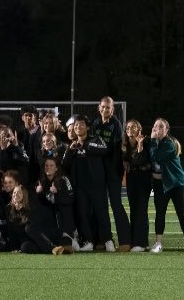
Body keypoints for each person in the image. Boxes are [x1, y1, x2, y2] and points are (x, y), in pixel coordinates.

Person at [61, 115, 111, 252]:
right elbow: (64, 164)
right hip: (80, 187)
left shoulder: (95, 139)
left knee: (101, 213)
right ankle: (88, 241)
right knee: (83, 214)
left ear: (87, 127)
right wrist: (71, 150)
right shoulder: (72, 144)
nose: (78, 127)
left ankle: (108, 240)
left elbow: (104, 149)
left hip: (97, 185)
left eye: (81, 124)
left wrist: (85, 145)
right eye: (76, 125)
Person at [147, 118, 184, 253]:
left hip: (176, 183)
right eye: (155, 126)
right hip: (160, 184)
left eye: (161, 126)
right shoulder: (155, 142)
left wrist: (151, 141)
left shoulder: (169, 143)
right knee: (160, 213)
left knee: (182, 214)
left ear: (166, 130)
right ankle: (158, 243)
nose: (157, 128)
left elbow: (155, 157)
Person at [91, 97, 131, 252]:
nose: (105, 109)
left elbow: (115, 147)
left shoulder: (116, 124)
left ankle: (125, 241)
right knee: (100, 206)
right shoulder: (95, 124)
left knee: (116, 204)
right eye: (103, 107)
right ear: (99, 108)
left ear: (112, 109)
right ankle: (104, 240)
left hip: (113, 169)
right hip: (99, 170)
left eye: (108, 107)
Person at [5, 186, 66, 255]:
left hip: (44, 237)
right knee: (24, 247)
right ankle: (57, 249)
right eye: (14, 192)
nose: (15, 195)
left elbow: (35, 225)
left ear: (24, 195)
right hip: (33, 241)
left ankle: (53, 248)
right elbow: (11, 231)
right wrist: (14, 248)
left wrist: (22, 209)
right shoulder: (9, 209)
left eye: (19, 193)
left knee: (29, 228)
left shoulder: (31, 205)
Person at [123, 120, 153, 252]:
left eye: (133, 127)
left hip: (143, 179)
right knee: (134, 209)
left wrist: (140, 145)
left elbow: (141, 160)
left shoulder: (146, 142)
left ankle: (141, 243)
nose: (130, 129)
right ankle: (135, 241)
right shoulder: (125, 145)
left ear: (139, 129)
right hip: (131, 179)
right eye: (128, 127)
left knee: (141, 209)